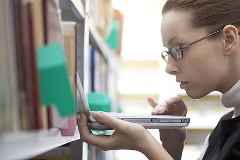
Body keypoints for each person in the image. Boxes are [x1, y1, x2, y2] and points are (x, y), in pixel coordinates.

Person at [78, 0, 240, 159]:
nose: (169, 68)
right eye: (168, 53)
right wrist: (172, 150)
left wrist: (144, 143)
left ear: (228, 39)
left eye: (178, 49)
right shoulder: (224, 126)